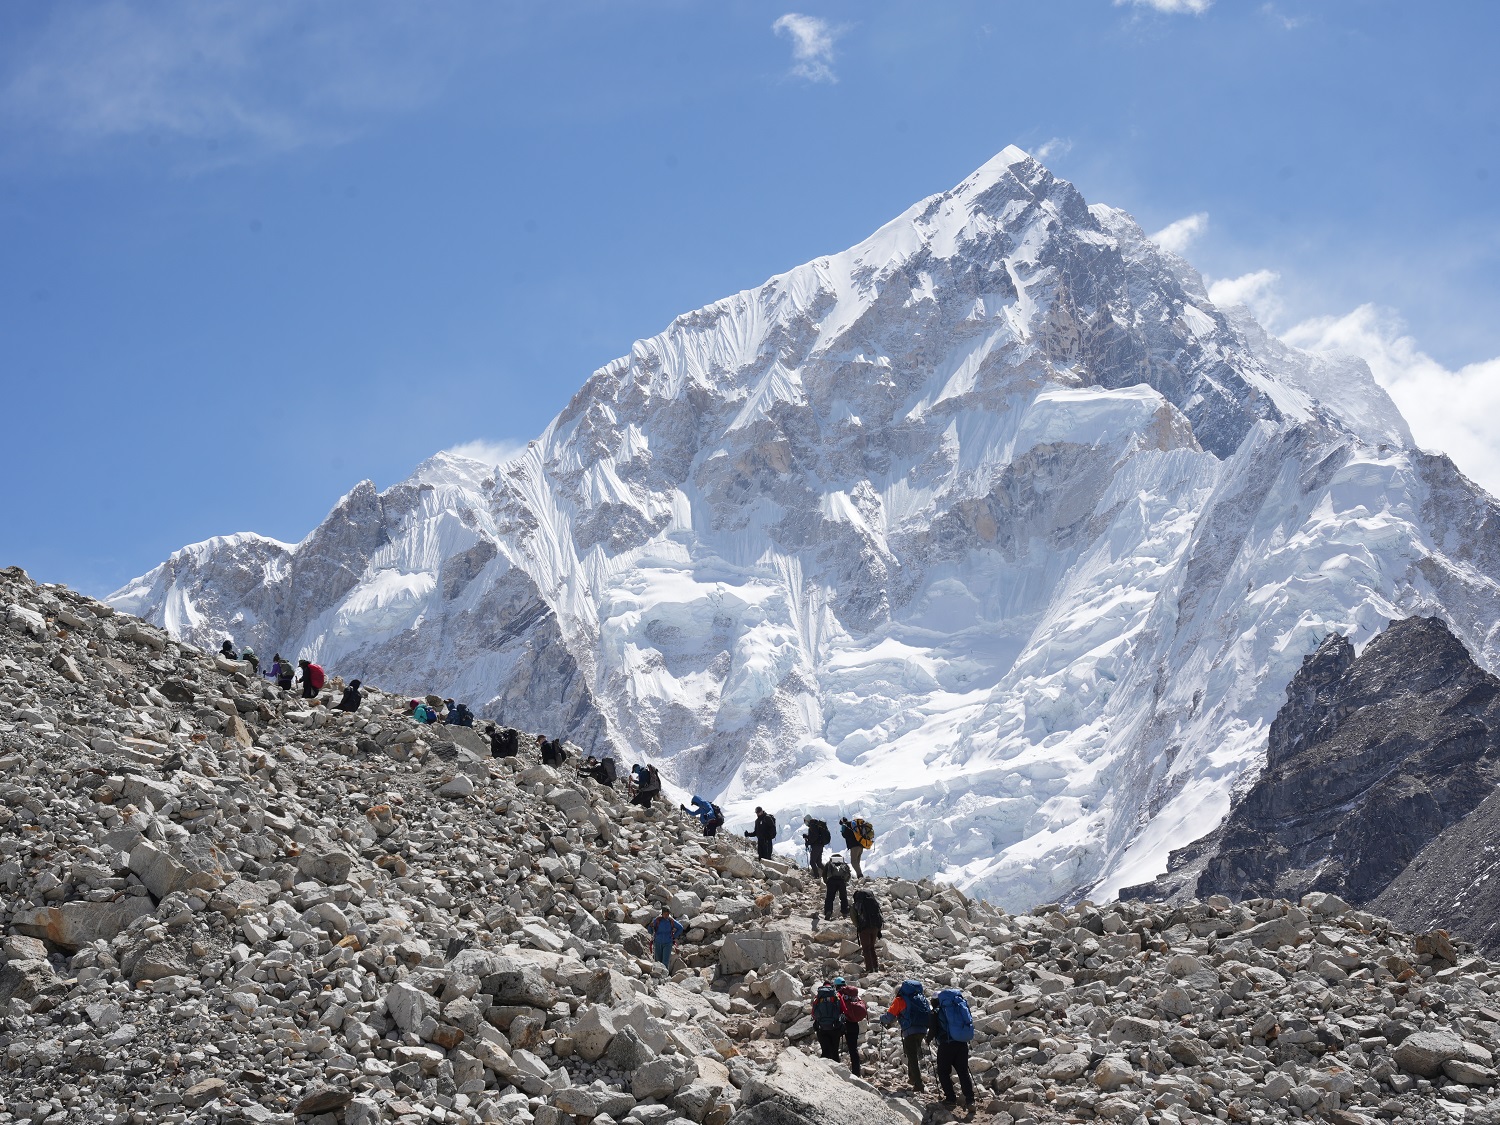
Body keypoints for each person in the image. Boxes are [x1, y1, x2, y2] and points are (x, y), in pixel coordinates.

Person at [879, 980, 932, 1093]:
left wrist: (881, 1018)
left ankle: (918, 1084)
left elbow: (889, 1017)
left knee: (912, 1056)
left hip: (910, 1031)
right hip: (923, 1029)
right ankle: (912, 1078)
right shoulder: (921, 998)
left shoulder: (900, 1000)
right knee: (912, 1053)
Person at [930, 987, 976, 1109]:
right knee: (963, 1072)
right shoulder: (959, 1007)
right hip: (962, 1043)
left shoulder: (937, 1012)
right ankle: (970, 1100)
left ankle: (951, 1099)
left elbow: (933, 1030)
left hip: (946, 1045)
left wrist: (928, 1040)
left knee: (943, 1071)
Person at [835, 977, 868, 1077]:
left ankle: (836, 1069)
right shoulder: (853, 995)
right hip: (854, 1024)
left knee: (834, 1046)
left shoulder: (839, 994)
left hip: (842, 1024)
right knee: (853, 1049)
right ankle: (856, 1072)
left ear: (836, 986)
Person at [811, 980, 846, 1065]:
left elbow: (813, 1013)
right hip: (835, 1027)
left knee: (825, 1051)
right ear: (832, 986)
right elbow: (844, 1009)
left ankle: (824, 1070)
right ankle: (837, 1068)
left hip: (821, 1028)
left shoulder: (818, 996)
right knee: (835, 1051)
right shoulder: (837, 995)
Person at [850, 888, 883, 972]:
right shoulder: (873, 903)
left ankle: (869, 968)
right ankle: (876, 966)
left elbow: (854, 918)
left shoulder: (856, 905)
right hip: (875, 927)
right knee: (872, 947)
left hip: (864, 928)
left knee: (866, 949)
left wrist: (858, 926)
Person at [648, 906, 684, 970]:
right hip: (658, 942)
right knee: (657, 961)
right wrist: (650, 927)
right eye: (665, 914)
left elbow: (680, 928)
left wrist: (673, 936)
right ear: (662, 914)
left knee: (665, 961)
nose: (666, 916)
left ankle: (665, 974)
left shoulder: (671, 921)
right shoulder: (657, 920)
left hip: (668, 943)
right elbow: (650, 931)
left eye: (667, 914)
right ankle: (657, 973)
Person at [822, 853, 851, 921]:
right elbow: (848, 874)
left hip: (831, 881)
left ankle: (828, 911)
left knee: (829, 898)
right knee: (843, 897)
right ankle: (845, 912)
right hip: (841, 881)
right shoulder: (844, 864)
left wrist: (827, 882)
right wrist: (845, 881)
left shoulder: (829, 863)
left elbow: (824, 873)